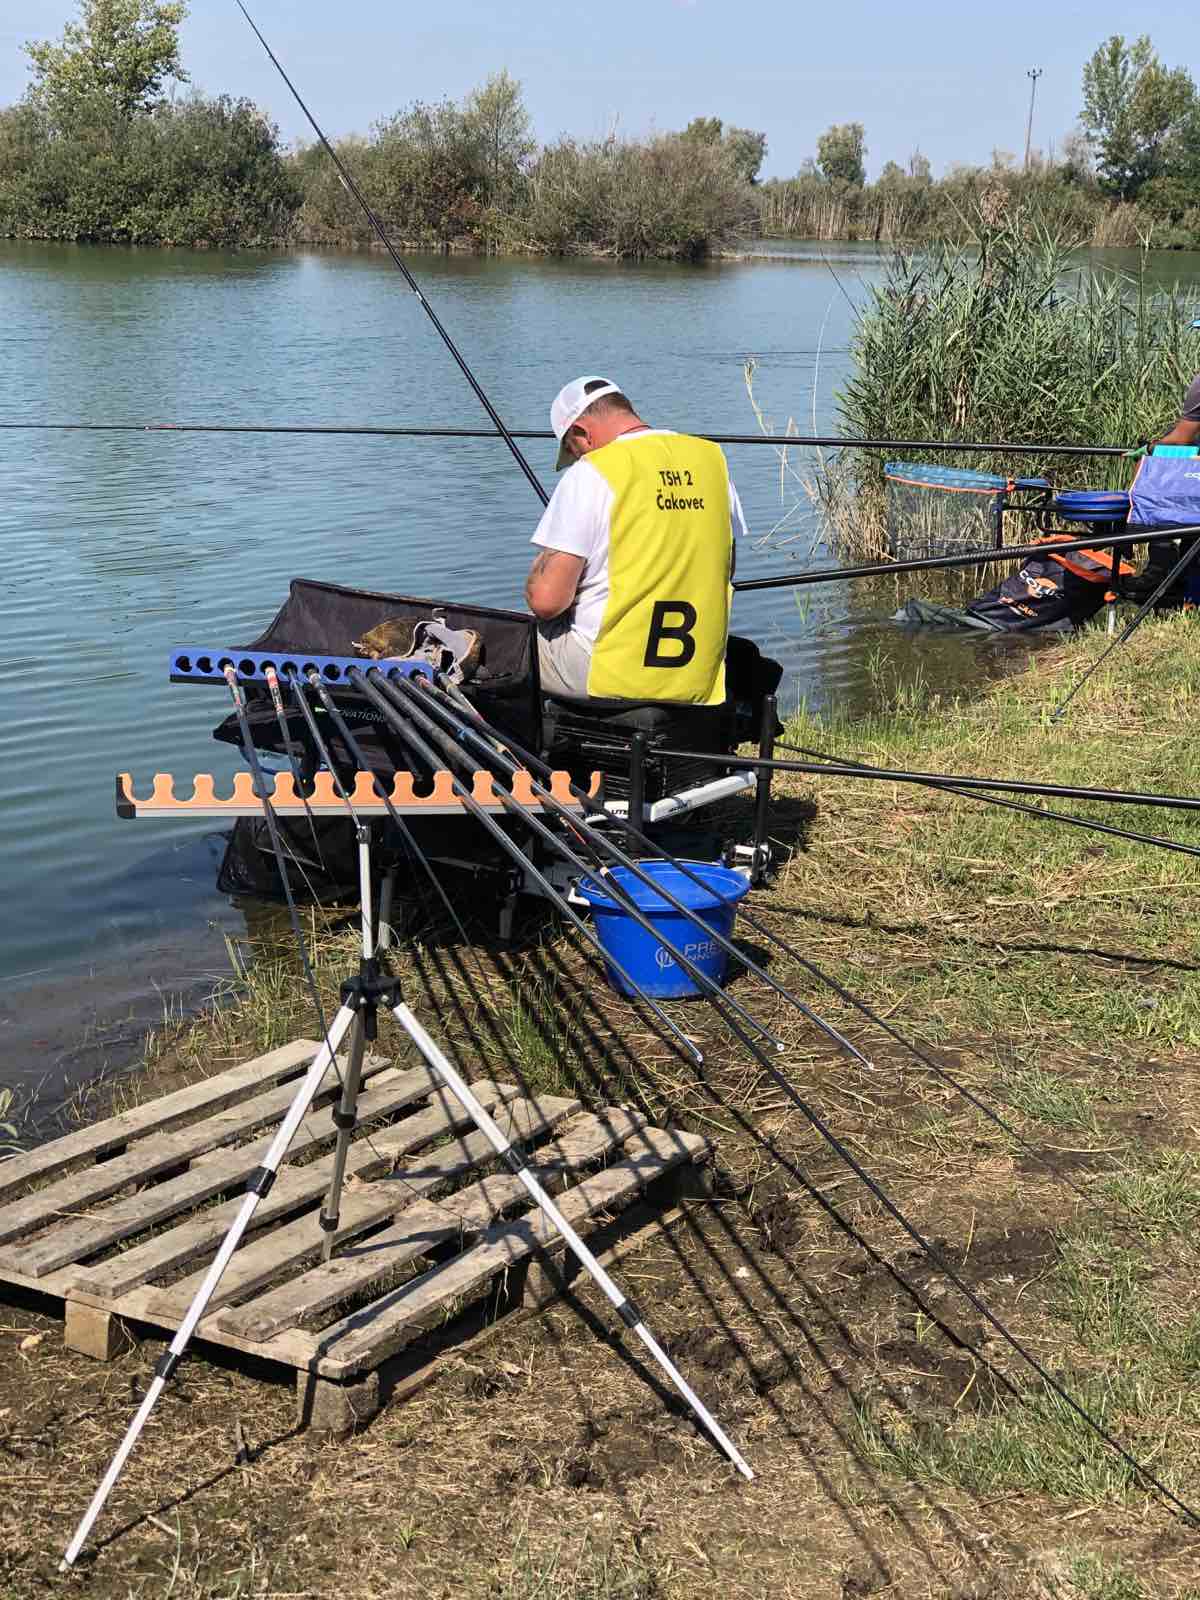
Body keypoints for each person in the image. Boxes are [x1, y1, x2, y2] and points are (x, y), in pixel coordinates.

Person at [525, 375, 748, 703]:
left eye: (573, 450)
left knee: (506, 646)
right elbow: (726, 569)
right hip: (695, 670)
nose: (578, 458)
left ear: (582, 433)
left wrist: (540, 569)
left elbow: (547, 601)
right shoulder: (711, 461)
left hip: (611, 673)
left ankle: (509, 752)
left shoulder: (591, 471)